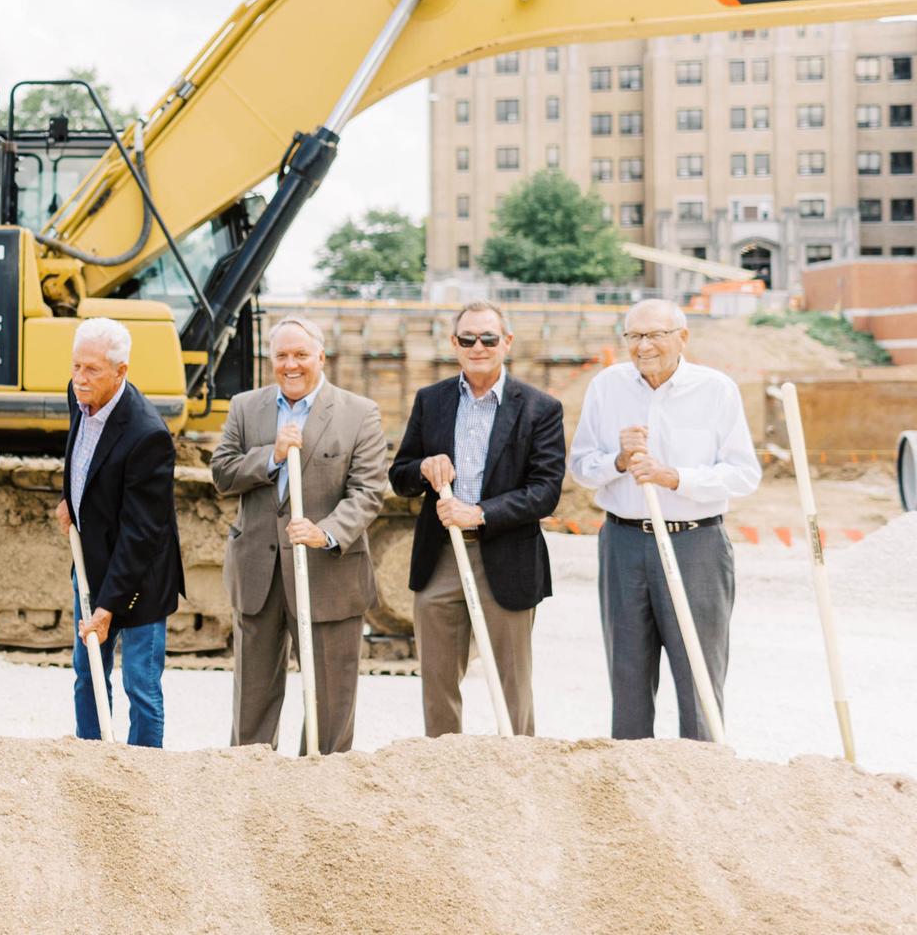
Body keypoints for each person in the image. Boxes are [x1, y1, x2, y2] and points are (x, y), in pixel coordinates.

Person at [568, 298, 760, 741]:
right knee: (628, 672)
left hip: (695, 544)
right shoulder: (606, 387)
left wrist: (675, 477)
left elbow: (744, 474)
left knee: (698, 673)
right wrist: (618, 460)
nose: (643, 346)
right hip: (624, 542)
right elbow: (580, 465)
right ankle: (633, 785)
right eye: (634, 336)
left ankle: (701, 779)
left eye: (655, 334)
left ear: (682, 337)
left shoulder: (716, 390)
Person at [210, 315, 387, 755]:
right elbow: (222, 473)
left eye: (301, 354)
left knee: (330, 704)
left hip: (330, 574)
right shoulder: (246, 407)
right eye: (282, 356)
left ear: (321, 357)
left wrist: (324, 532)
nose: (291, 364)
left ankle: (322, 795)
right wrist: (270, 455)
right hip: (259, 576)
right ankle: (252, 789)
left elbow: (368, 493)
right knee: (252, 702)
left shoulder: (359, 413)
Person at [388, 301, 565, 737]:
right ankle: (445, 768)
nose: (478, 346)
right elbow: (400, 476)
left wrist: (480, 513)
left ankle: (519, 766)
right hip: (440, 559)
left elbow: (545, 491)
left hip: (508, 559)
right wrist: (424, 468)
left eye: (488, 338)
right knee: (438, 682)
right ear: (454, 344)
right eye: (468, 338)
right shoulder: (431, 401)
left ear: (506, 342)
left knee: (512, 685)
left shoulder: (540, 408)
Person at [56, 317, 184, 748]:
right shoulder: (79, 396)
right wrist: (70, 501)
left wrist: (108, 607)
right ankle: (92, 761)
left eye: (92, 369)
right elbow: (79, 455)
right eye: (76, 366)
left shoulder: (148, 435)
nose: (80, 378)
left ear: (121, 371)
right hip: (90, 563)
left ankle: (144, 771)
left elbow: (141, 533)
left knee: (139, 686)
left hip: (140, 577)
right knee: (87, 672)